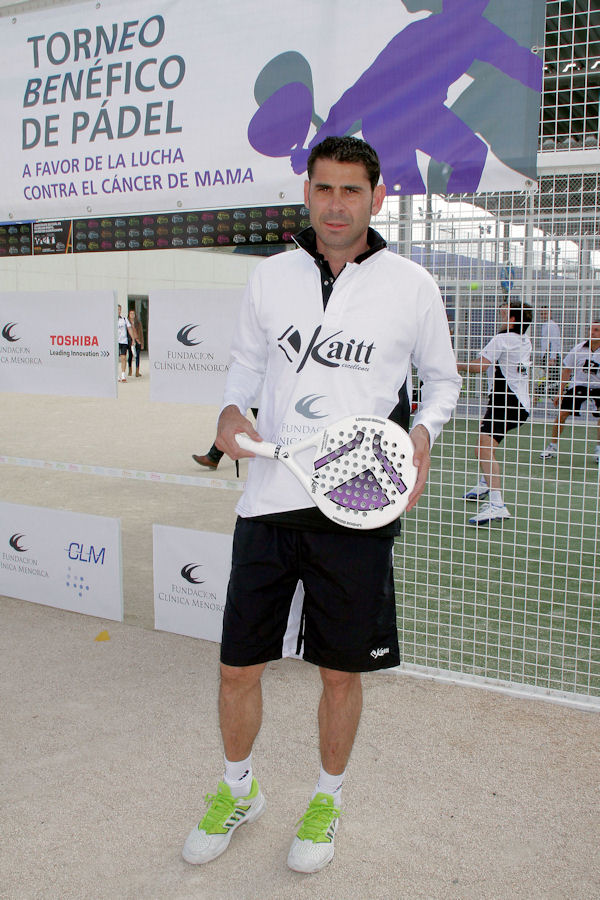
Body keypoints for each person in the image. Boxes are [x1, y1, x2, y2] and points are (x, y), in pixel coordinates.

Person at [181, 136, 460, 873]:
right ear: (306, 193)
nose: (337, 204)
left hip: (358, 504)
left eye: (351, 191)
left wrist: (423, 436)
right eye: (324, 189)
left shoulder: (412, 285)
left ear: (376, 198)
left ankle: (328, 797)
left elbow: (443, 380)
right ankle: (239, 789)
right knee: (238, 666)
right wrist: (229, 412)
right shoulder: (270, 279)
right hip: (268, 500)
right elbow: (244, 367)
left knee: (341, 671)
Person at [457, 300, 532, 525]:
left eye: (505, 313)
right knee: (486, 445)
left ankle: (497, 504)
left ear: (513, 320)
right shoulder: (524, 339)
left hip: (507, 402)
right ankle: (485, 484)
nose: (501, 314)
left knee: (482, 449)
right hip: (516, 403)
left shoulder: (502, 339)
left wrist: (453, 364)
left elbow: (480, 366)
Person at [539, 321, 600, 465]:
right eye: (591, 329)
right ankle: (552, 446)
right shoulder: (578, 348)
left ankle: (599, 449)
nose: (592, 332)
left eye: (596, 330)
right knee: (562, 414)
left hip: (598, 387)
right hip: (579, 385)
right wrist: (560, 392)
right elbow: (567, 371)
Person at [536, 306, 562, 399]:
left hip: (551, 356)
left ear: (550, 314)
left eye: (546, 313)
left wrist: (552, 357)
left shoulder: (552, 325)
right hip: (547, 355)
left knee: (554, 378)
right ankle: (543, 393)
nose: (543, 315)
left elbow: (554, 342)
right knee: (551, 377)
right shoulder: (545, 325)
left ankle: (539, 392)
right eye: (542, 313)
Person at [126, 308, 144, 377]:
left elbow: (141, 333)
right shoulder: (127, 322)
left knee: (137, 356)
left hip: (138, 340)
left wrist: (142, 343)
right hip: (131, 341)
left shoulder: (138, 323)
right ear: (129, 314)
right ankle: (130, 370)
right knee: (130, 356)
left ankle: (137, 372)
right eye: (131, 313)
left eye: (133, 314)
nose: (132, 315)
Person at [116, 304, 132, 382]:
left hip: (123, 341)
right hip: (115, 342)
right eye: (117, 309)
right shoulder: (111, 320)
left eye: (119, 309)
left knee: (123, 358)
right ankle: (116, 375)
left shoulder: (124, 319)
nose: (118, 311)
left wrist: (133, 339)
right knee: (115, 359)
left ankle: (123, 374)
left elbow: (129, 328)